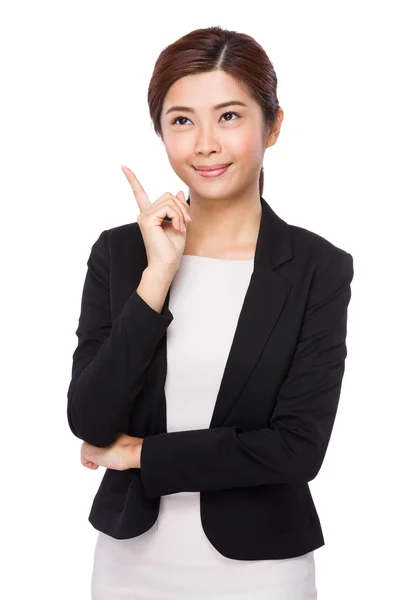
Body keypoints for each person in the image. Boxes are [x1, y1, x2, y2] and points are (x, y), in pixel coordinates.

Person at [67, 25, 354, 599]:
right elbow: (89, 421)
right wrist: (158, 277)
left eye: (228, 116)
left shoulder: (317, 267)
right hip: (130, 565)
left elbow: (297, 446)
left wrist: (142, 454)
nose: (204, 144)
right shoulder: (121, 254)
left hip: (263, 571)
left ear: (272, 125)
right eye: (181, 120)